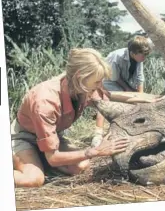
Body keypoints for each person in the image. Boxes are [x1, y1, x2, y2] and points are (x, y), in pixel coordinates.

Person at [11, 48, 129, 188]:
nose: (100, 86)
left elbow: (107, 100)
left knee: (80, 165)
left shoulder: (82, 87)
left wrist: (150, 100)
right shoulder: (45, 101)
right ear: (80, 76)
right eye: (97, 82)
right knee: (34, 180)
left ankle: (38, 160)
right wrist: (95, 152)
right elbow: (54, 158)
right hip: (25, 137)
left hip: (53, 136)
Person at [93, 35, 152, 147]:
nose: (145, 57)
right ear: (133, 52)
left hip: (124, 82)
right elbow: (115, 78)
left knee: (137, 102)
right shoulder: (116, 57)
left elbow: (140, 78)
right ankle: (98, 134)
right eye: (143, 55)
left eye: (146, 55)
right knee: (106, 102)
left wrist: (141, 98)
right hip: (108, 82)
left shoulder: (139, 58)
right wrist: (128, 90)